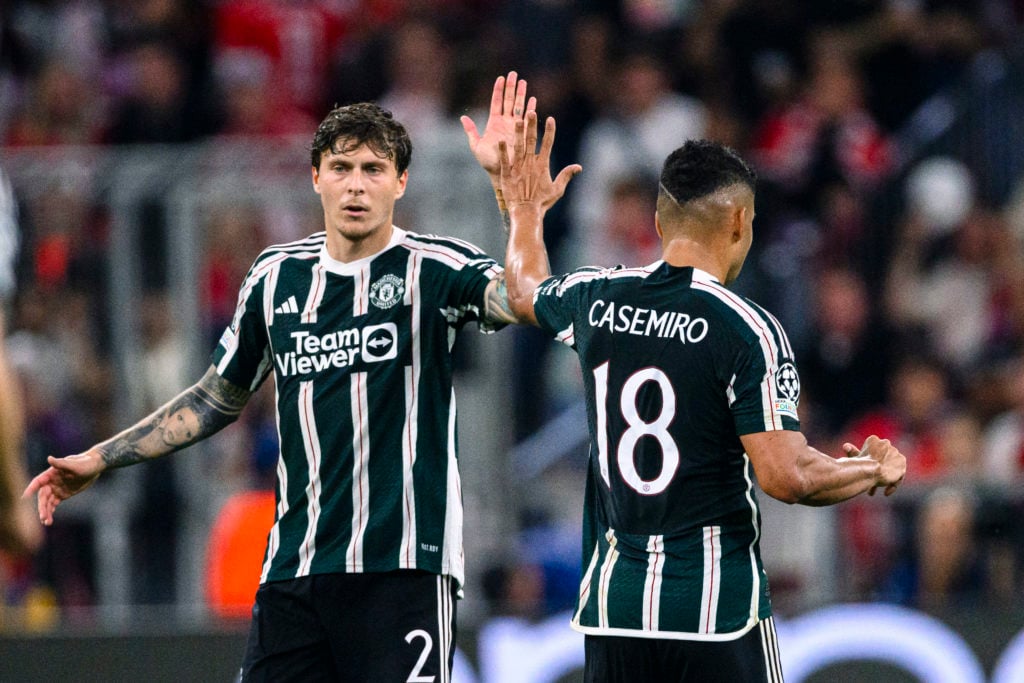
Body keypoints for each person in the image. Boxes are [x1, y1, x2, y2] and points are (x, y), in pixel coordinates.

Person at [24, 72, 534, 681]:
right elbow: (215, 397)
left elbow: (525, 300)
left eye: (374, 170)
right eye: (341, 168)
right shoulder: (276, 278)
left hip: (404, 572)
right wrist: (102, 458)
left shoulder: (435, 267)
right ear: (315, 177)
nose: (356, 185)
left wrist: (517, 204)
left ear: (401, 183)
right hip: (297, 571)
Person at [497, 115, 907, 682]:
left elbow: (522, 294)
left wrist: (524, 211)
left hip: (617, 610)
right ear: (740, 221)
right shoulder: (745, 329)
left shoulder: (594, 297)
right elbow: (785, 476)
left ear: (661, 223)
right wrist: (869, 471)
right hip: (712, 611)